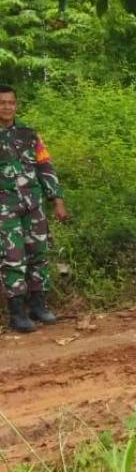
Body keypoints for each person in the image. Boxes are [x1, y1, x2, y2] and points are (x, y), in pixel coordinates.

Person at [0, 85, 69, 333]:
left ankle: (38, 307)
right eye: (2, 103)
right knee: (13, 258)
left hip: (33, 204)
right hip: (4, 208)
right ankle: (17, 314)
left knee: (38, 254)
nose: (7, 107)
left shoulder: (29, 134)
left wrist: (57, 199)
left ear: (16, 105)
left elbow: (45, 166)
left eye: (11, 102)